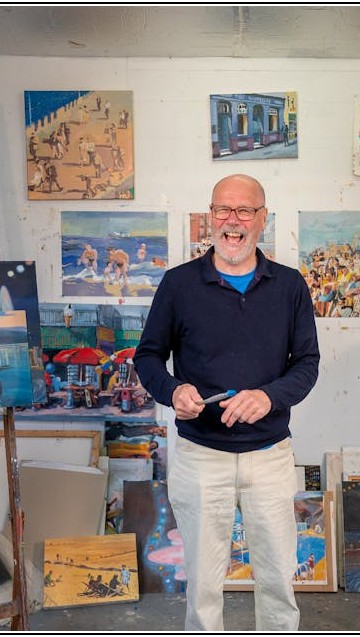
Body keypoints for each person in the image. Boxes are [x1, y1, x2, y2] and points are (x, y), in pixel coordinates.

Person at [133, 174, 320, 631]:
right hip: (200, 457)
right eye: (222, 210)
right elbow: (148, 356)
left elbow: (307, 364)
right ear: (210, 216)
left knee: (278, 583)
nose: (232, 222)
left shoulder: (290, 286)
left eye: (244, 211)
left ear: (263, 218)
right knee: (202, 588)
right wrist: (173, 391)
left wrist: (269, 397)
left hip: (270, 457)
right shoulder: (178, 284)